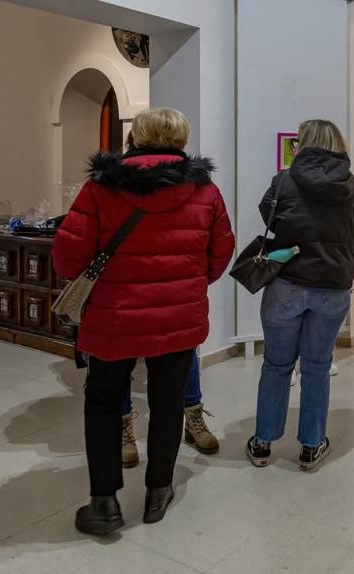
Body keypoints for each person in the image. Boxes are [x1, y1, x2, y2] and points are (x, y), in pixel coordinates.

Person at [52, 107, 235, 535]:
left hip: (113, 317)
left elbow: (68, 256)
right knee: (168, 403)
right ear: (181, 141)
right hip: (177, 316)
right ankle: (158, 492)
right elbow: (220, 252)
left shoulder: (100, 188)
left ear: (136, 137)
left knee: (102, 404)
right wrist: (187, 283)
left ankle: (105, 503)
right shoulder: (204, 190)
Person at [246, 119, 354, 471]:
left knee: (277, 365)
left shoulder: (284, 180)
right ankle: (312, 445)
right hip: (333, 286)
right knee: (316, 367)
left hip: (287, 282)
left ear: (304, 143)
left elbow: (269, 219)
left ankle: (263, 442)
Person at [117, 133, 219, 467]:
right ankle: (125, 428)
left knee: (183, 355)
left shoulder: (198, 187)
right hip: (127, 295)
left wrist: (195, 280)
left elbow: (220, 243)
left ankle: (191, 416)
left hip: (172, 295)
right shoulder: (110, 184)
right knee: (122, 360)